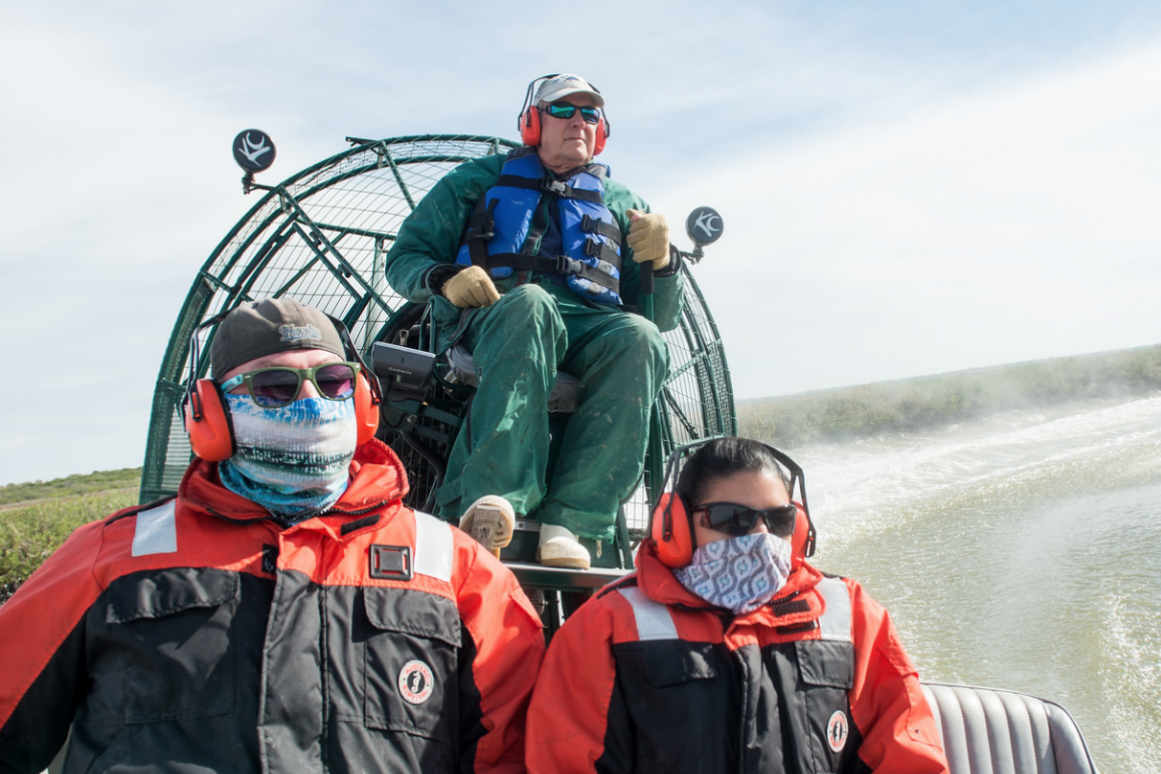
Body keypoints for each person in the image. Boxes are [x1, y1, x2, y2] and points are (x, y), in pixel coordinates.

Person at [0, 298, 545, 773]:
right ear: (211, 414)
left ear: (361, 402)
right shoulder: (112, 559)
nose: (312, 402)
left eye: (332, 382)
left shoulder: (455, 568)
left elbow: (515, 754)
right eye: (275, 387)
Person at [384, 73, 685, 570]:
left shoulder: (625, 205)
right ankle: (492, 498)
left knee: (642, 338)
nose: (580, 121)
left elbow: (663, 316)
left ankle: (575, 521)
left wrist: (666, 264)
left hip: (591, 326)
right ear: (532, 123)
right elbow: (405, 259)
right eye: (564, 110)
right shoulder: (476, 180)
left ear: (601, 130)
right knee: (530, 303)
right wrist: (443, 279)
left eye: (590, 114)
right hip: (495, 315)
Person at [525, 437, 950, 773]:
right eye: (733, 518)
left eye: (779, 521)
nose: (760, 537)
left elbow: (905, 753)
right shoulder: (607, 626)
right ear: (674, 526)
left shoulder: (852, 616)